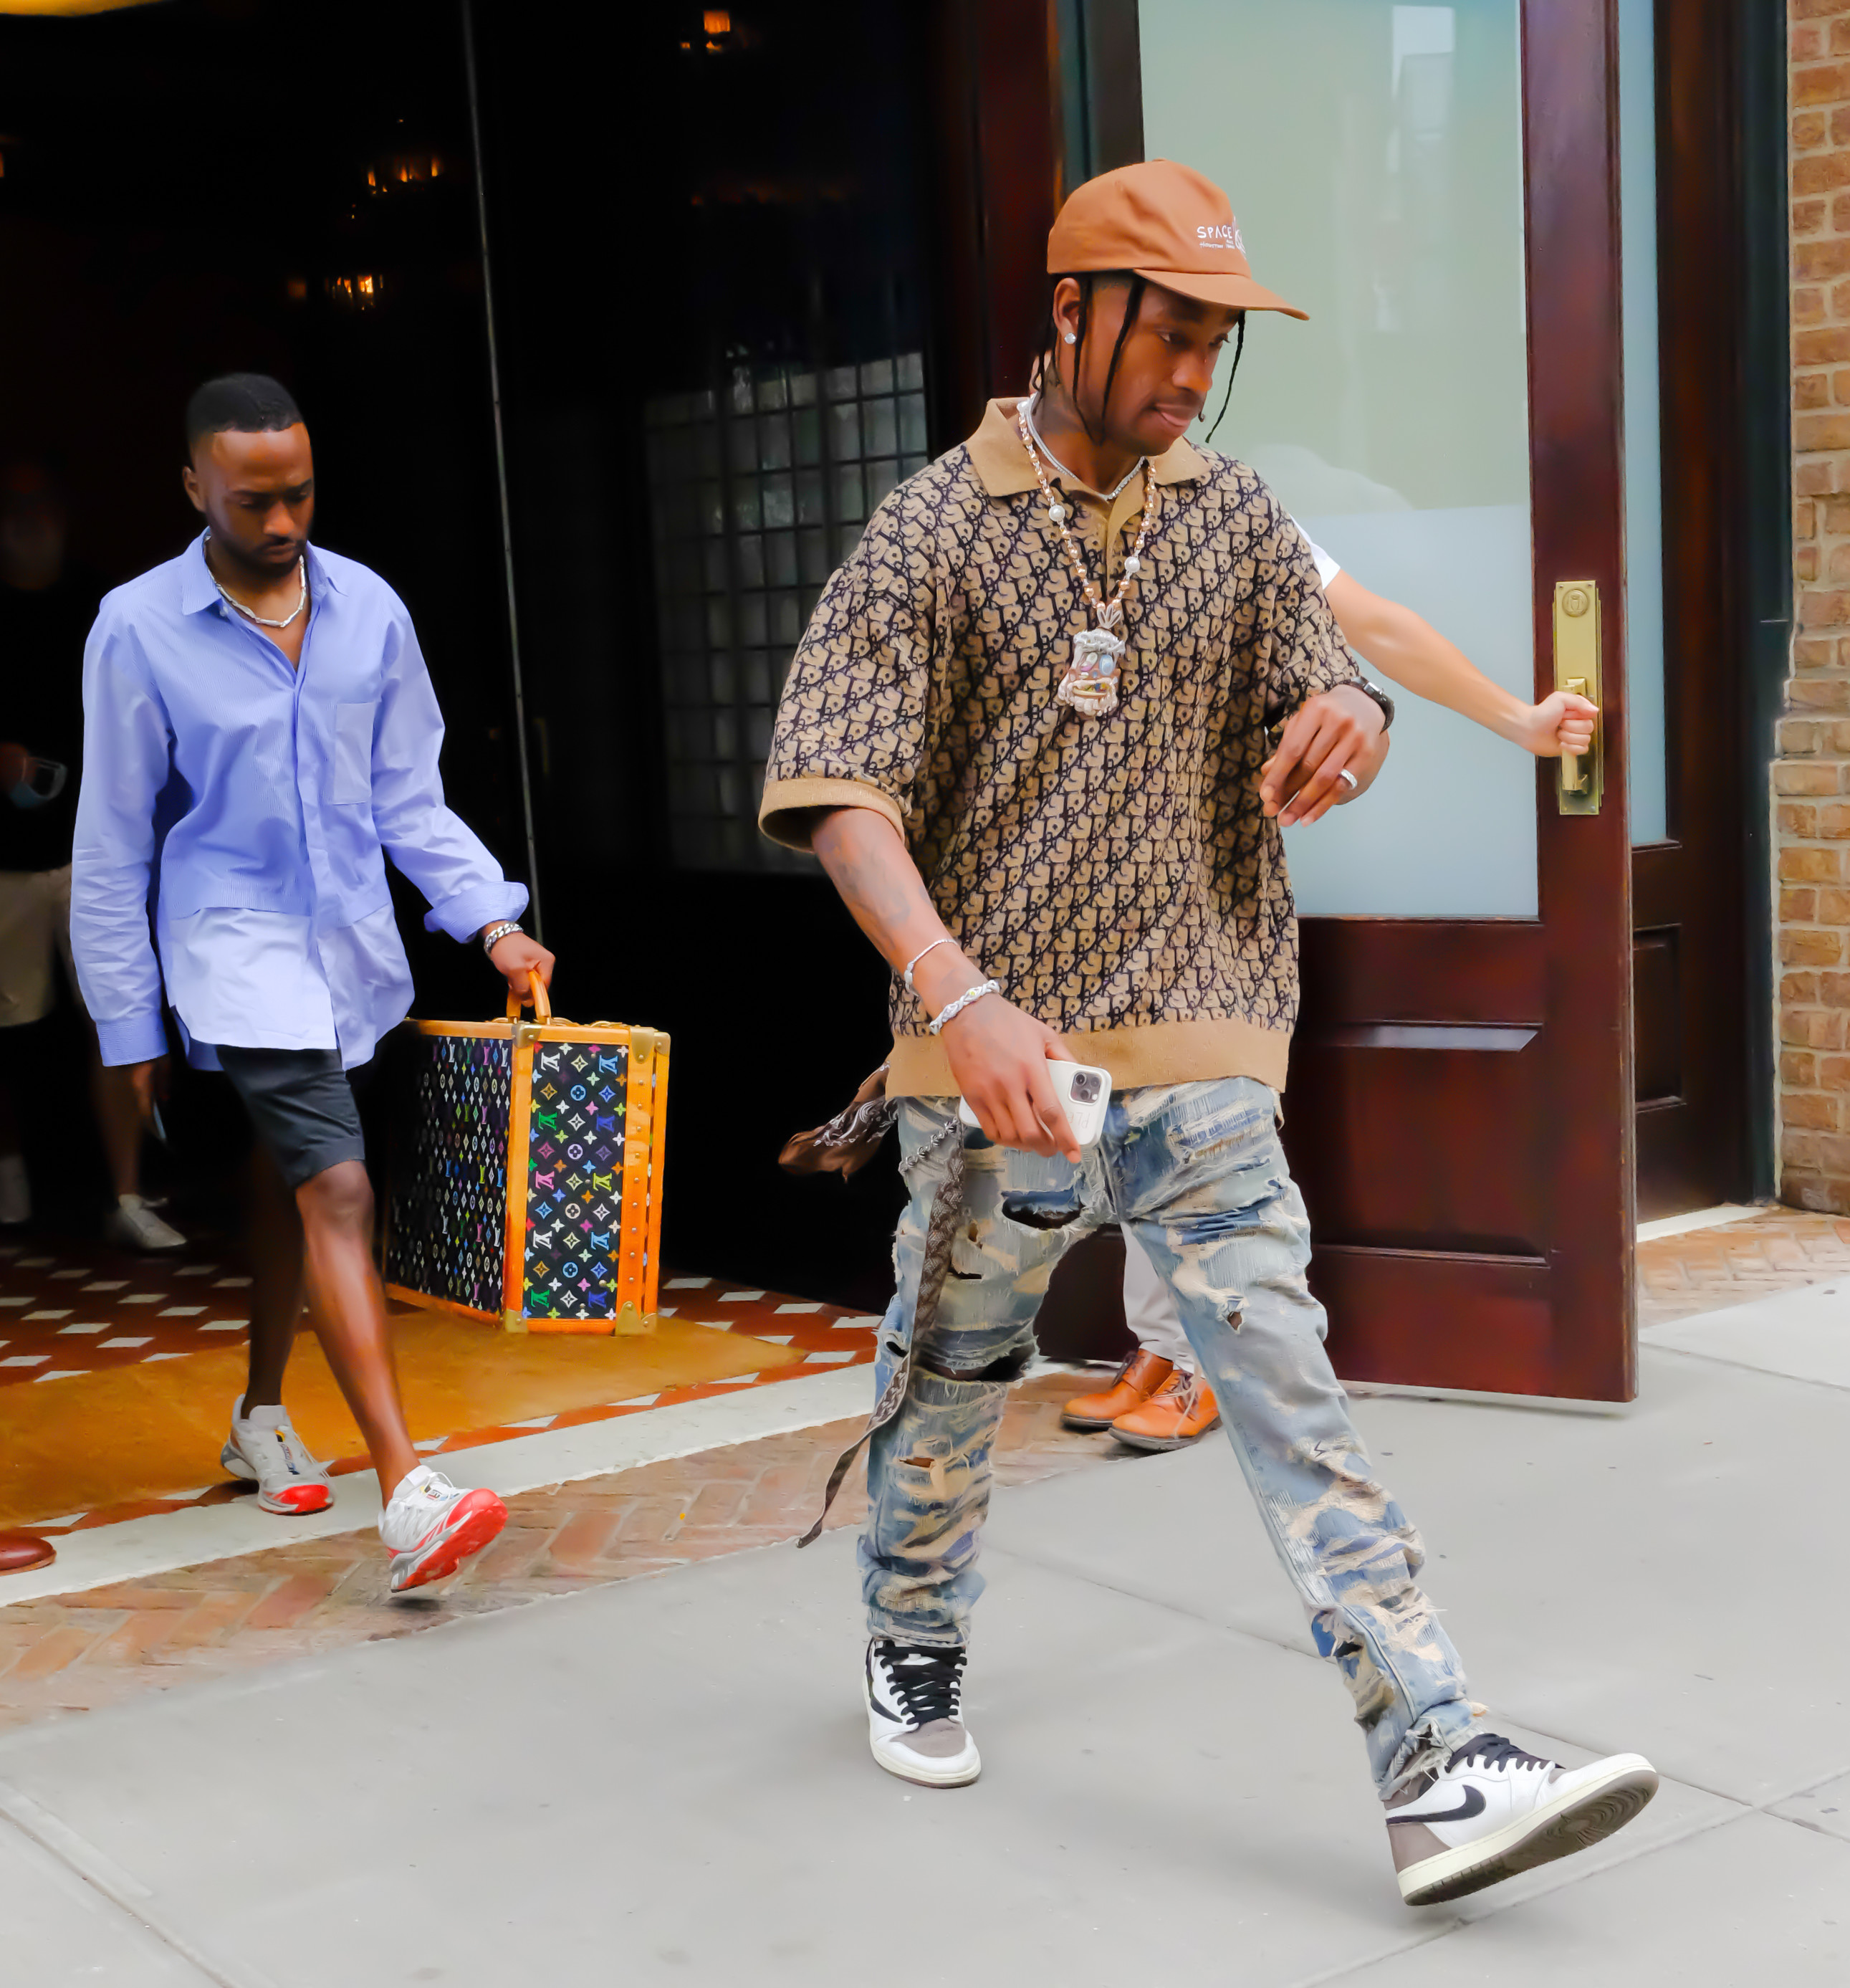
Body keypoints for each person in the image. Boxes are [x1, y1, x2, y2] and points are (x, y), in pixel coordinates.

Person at [759, 162, 1656, 1906]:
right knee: (949, 1378)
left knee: (1284, 1386)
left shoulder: (1230, 514)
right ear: (1073, 311)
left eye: (1213, 342)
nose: (1189, 371)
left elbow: (1326, 667)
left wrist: (1348, 712)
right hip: (989, 1065)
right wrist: (958, 998)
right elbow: (836, 792)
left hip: (1200, 1034)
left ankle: (1432, 1757)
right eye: (1165, 332)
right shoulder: (930, 528)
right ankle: (910, 1625)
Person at [70, 375, 552, 1595]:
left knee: (289, 1178)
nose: (283, 521)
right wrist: (126, 1016)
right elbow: (114, 836)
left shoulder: (369, 608)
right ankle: (405, 1488)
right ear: (195, 487)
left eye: (299, 492)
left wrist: (493, 922)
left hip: (349, 953)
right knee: (338, 1184)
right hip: (232, 953)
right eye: (252, 499)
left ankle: (258, 1408)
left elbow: (408, 794)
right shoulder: (136, 627)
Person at [1068, 539, 1601, 1452]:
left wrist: (1517, 720)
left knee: (1206, 1103)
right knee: (1125, 1104)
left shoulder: (1228, 514)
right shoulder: (1048, 518)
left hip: (1207, 865)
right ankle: (1161, 1338)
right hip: (1096, 871)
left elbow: (1378, 628)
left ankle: (1211, 1356)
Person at [0, 459, 183, 1250]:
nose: (27, 518)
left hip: (96, 854)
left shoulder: (103, 605)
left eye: (40, 502)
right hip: (4, 861)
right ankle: (9, 1184)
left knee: (125, 1018)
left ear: (65, 511)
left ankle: (129, 1193)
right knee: (7, 1033)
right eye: (12, 505)